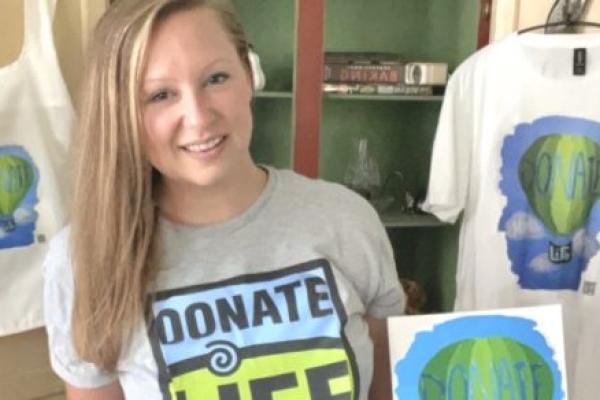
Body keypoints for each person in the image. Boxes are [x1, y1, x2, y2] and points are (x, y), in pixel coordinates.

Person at [43, 0, 406, 399]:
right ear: (122, 112)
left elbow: (387, 386)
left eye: (216, 78)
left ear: (249, 77)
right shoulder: (83, 261)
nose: (198, 117)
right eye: (160, 95)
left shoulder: (345, 220)